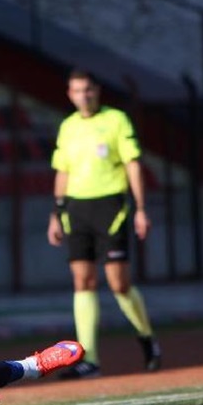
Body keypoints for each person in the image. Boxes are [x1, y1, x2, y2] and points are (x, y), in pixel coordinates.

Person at [47, 69, 161, 379]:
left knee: (118, 284)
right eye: (76, 91)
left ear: (97, 90)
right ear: (70, 94)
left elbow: (133, 165)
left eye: (88, 89)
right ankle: (88, 359)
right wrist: (56, 213)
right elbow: (62, 171)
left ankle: (147, 337)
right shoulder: (68, 126)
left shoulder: (116, 120)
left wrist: (140, 209)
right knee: (82, 281)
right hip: (76, 209)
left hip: (110, 207)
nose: (83, 96)